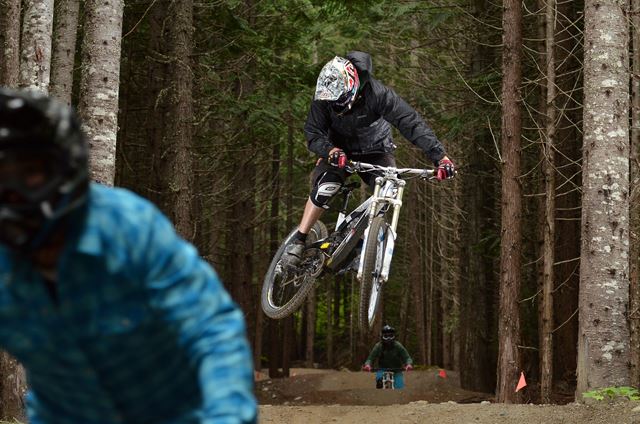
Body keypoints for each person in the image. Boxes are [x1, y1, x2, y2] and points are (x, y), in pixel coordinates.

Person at [0, 88, 257, 423]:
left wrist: (227, 415)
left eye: (30, 171)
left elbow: (209, 327)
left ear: (63, 167)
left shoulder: (128, 225)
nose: (13, 191)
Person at [282, 51, 455, 267]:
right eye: (330, 102)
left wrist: (440, 157)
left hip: (376, 150)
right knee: (326, 186)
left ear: (352, 88)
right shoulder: (324, 95)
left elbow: (410, 122)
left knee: (389, 191)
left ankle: (364, 246)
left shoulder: (378, 94)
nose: (334, 106)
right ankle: (299, 239)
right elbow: (313, 132)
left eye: (339, 101)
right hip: (338, 151)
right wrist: (329, 150)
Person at [362, 325, 413, 389]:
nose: (388, 338)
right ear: (382, 337)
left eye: (391, 336)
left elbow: (407, 357)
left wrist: (408, 364)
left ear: (394, 336)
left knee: (399, 388)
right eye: (386, 336)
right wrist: (368, 365)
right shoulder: (378, 346)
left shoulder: (398, 345)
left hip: (397, 370)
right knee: (379, 381)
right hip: (382, 369)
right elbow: (370, 358)